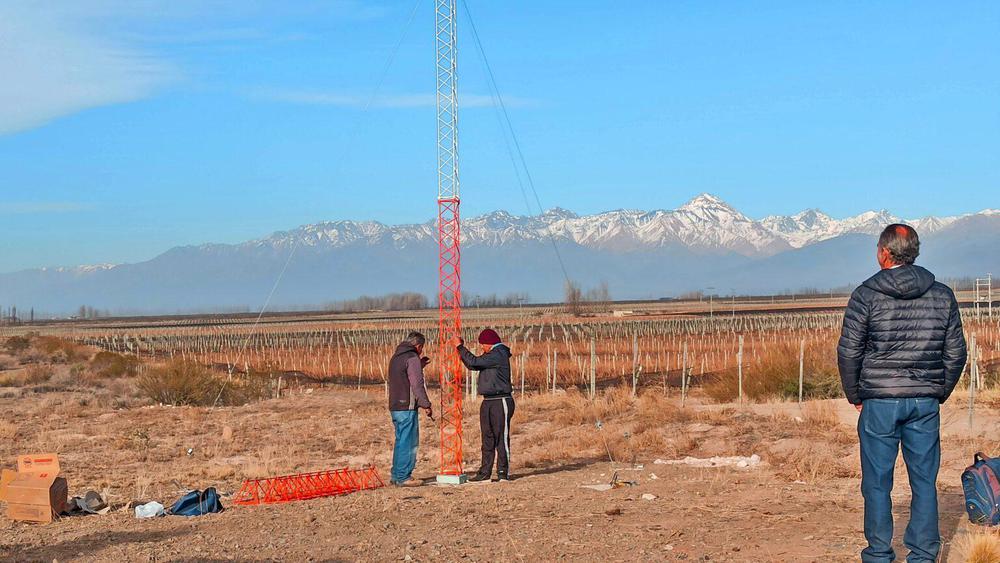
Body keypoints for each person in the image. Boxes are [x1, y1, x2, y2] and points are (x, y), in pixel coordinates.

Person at [838, 224, 967, 563]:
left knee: (877, 483)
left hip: (879, 401)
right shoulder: (942, 295)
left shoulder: (865, 295)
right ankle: (924, 554)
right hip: (924, 401)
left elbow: (850, 351)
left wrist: (856, 394)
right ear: (915, 252)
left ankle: (879, 554)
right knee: (924, 481)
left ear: (884, 253)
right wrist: (938, 390)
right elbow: (956, 352)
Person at [451, 329, 514, 482]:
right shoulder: (491, 355)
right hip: (488, 401)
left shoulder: (499, 353)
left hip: (501, 400)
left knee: (501, 437)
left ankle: (502, 472)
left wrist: (460, 347)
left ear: (488, 343)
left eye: (482, 345)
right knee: (487, 437)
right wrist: (461, 351)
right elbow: (473, 365)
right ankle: (485, 472)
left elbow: (475, 361)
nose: (482, 349)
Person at [387, 331, 433, 487]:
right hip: (407, 405)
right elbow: (417, 385)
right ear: (418, 345)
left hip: (395, 405)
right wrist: (426, 404)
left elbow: (403, 375)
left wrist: (420, 365)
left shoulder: (397, 357)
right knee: (409, 441)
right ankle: (404, 477)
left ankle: (396, 475)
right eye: (421, 348)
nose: (421, 351)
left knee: (401, 440)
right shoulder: (412, 358)